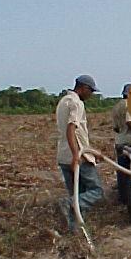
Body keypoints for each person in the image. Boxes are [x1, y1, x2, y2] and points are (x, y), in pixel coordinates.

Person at [55, 75, 104, 230]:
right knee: (96, 192)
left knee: (76, 193)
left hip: (63, 155)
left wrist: (93, 152)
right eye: (90, 91)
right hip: (77, 156)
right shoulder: (77, 103)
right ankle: (68, 205)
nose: (91, 95)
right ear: (83, 88)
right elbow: (71, 128)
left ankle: (73, 230)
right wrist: (77, 155)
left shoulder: (63, 101)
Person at [111, 83, 131, 204]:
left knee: (122, 171)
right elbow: (129, 122)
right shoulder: (129, 105)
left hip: (119, 142)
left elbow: (115, 128)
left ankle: (122, 198)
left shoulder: (116, 106)